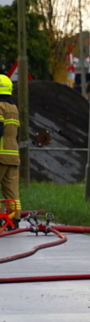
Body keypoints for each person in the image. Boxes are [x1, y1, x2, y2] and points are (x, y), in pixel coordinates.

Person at [0, 74, 20, 228]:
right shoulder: (14, 108)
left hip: (0, 154)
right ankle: (14, 219)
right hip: (13, 155)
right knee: (12, 191)